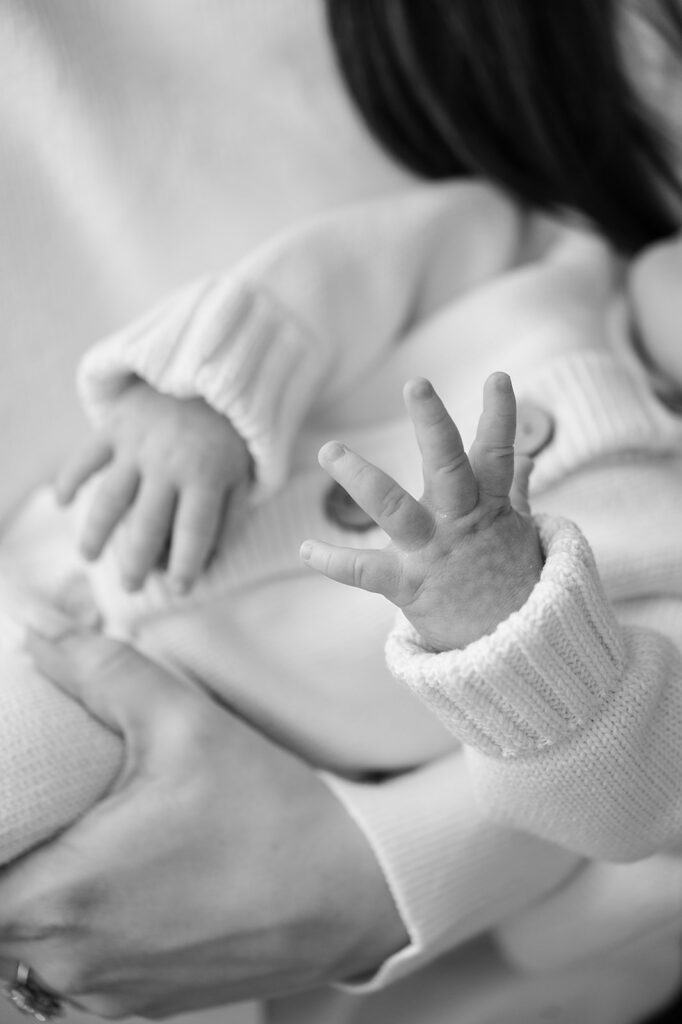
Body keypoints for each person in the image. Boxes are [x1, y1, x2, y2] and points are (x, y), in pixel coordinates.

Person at [1, 2, 682, 1024]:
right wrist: (209, 395)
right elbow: (334, 279)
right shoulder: (539, 250)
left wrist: (505, 631)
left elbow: (632, 802)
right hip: (71, 569)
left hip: (205, 781)